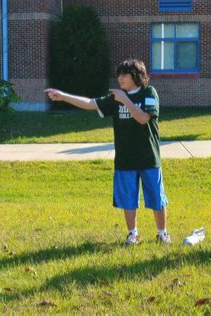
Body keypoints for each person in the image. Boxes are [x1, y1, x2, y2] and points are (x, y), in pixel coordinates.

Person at [45, 59, 171, 245]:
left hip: (148, 158)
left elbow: (143, 118)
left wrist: (125, 100)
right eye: (118, 75)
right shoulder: (117, 96)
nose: (120, 78)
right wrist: (63, 96)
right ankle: (132, 234)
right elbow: (90, 103)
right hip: (125, 159)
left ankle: (162, 234)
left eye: (124, 75)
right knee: (128, 199)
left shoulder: (148, 92)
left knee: (156, 198)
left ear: (136, 76)